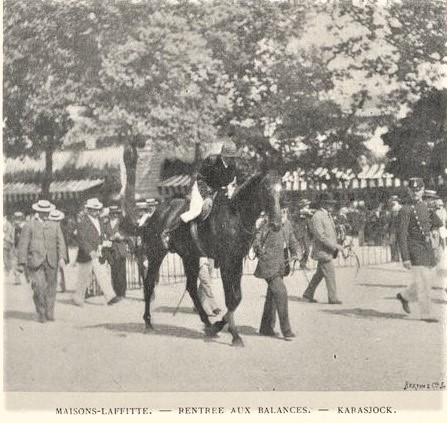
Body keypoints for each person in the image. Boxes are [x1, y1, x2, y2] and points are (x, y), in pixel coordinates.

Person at [161, 138, 239, 249]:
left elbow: (230, 181)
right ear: (222, 155)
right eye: (227, 157)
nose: (229, 160)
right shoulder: (211, 160)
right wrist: (206, 196)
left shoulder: (232, 165)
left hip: (218, 190)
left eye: (232, 158)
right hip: (202, 187)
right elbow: (200, 179)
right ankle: (170, 231)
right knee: (196, 211)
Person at [396, 178, 442, 322]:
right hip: (414, 248)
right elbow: (401, 235)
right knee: (424, 282)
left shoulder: (426, 206)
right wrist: (405, 257)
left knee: (429, 279)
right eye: (412, 190)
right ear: (408, 191)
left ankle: (404, 296)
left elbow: (437, 223)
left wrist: (434, 233)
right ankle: (426, 313)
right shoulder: (405, 210)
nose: (415, 193)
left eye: (418, 190)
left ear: (422, 190)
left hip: (427, 248)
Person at [253, 200, 298, 339]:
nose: (284, 214)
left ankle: (266, 327)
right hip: (269, 265)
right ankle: (286, 330)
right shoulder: (268, 225)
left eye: (285, 211)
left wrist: (297, 252)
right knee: (281, 292)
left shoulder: (287, 224)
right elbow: (256, 240)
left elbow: (292, 241)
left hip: (281, 265)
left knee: (272, 296)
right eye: (281, 211)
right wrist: (262, 253)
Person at [16, 200, 67, 322]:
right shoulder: (29, 225)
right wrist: (21, 263)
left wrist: (62, 258)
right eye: (43, 211)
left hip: (51, 260)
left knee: (51, 287)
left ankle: (49, 312)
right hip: (35, 261)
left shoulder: (55, 225)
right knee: (38, 287)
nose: (45, 214)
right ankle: (41, 312)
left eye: (47, 211)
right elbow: (23, 244)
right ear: (37, 211)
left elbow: (61, 242)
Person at [73, 198, 121, 306]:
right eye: (94, 209)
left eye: (98, 209)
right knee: (83, 277)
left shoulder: (99, 220)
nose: (96, 211)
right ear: (88, 210)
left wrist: (104, 242)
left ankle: (110, 296)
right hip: (86, 253)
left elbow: (101, 234)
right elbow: (82, 239)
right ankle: (78, 297)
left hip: (98, 251)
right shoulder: (83, 222)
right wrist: (90, 251)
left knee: (102, 273)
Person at [303, 192, 343, 304]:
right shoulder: (317, 216)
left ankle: (308, 293)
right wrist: (335, 246)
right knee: (330, 273)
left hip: (327, 250)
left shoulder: (327, 214)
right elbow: (320, 236)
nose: (331, 205)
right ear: (322, 204)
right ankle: (333, 298)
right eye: (328, 203)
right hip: (322, 251)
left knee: (319, 274)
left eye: (331, 203)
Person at [107, 205, 128, 299]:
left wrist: (121, 237)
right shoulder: (106, 224)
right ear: (110, 214)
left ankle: (122, 292)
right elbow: (104, 235)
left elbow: (127, 235)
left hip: (120, 249)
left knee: (121, 271)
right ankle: (116, 291)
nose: (114, 215)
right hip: (111, 250)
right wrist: (109, 238)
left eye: (116, 213)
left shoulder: (122, 223)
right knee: (114, 271)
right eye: (112, 213)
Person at [49, 209, 68, 292]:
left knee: (59, 268)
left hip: (59, 250)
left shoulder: (62, 228)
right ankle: (57, 285)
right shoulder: (50, 228)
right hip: (52, 250)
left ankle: (60, 285)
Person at [294, 198, 313, 269]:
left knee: (307, 249)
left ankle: (303, 264)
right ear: (303, 206)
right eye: (306, 205)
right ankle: (302, 264)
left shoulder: (306, 212)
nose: (308, 206)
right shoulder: (300, 212)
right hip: (300, 233)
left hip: (306, 233)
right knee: (301, 249)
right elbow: (303, 212)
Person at [388, 195, 402, 262]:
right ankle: (395, 257)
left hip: (395, 229)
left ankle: (395, 258)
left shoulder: (396, 207)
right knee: (394, 244)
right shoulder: (397, 207)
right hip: (395, 229)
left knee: (393, 244)